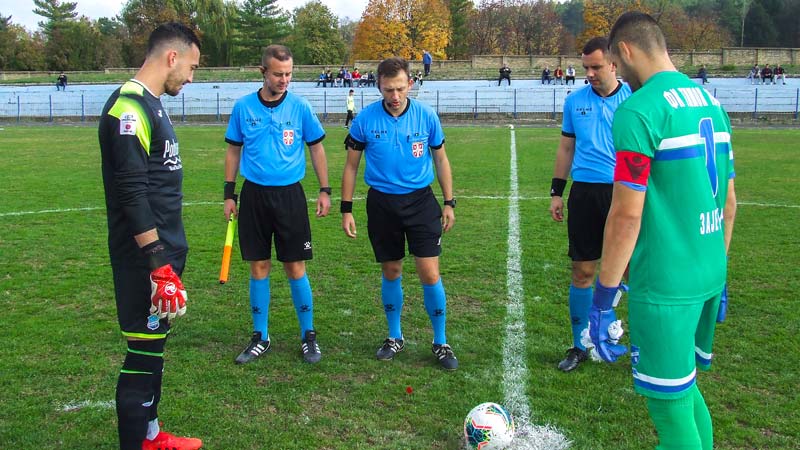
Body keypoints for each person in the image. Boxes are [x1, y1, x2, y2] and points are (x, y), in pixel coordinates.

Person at [596, 11, 737, 450]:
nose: (618, 74)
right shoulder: (710, 102)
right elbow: (730, 204)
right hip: (709, 270)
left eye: (615, 64)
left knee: (669, 409)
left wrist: (603, 297)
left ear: (625, 50)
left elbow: (626, 215)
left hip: (665, 284)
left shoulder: (639, 110)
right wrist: (719, 270)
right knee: (684, 389)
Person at [98, 22, 203, 450]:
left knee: (154, 347)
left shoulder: (152, 104)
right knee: (142, 354)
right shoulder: (129, 108)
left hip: (163, 253)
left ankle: (152, 436)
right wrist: (158, 263)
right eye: (191, 68)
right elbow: (131, 192)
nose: (191, 78)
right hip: (144, 258)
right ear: (171, 57)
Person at [341, 57, 458, 371]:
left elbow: (441, 159)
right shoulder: (365, 120)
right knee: (391, 270)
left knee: (429, 273)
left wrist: (449, 202)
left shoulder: (426, 116)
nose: (394, 95)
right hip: (382, 205)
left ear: (410, 84)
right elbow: (351, 166)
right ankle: (394, 336)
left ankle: (441, 341)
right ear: (379, 86)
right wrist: (346, 209)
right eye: (388, 89)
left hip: (421, 203)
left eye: (400, 88)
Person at [223, 44, 331, 366]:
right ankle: (261, 336)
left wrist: (325, 190)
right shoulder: (243, 107)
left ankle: (308, 335)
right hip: (254, 196)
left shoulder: (300, 107)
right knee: (258, 266)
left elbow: (316, 148)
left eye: (288, 74)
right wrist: (229, 194)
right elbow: (233, 151)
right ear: (263, 72)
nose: (284, 80)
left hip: (289, 197)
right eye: (278, 74)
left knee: (295, 266)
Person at [548, 36, 632, 372]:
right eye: (586, 67)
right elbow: (566, 148)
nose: (590, 74)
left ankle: (641, 344)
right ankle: (580, 344)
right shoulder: (574, 101)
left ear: (614, 64)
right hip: (584, 193)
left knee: (632, 270)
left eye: (596, 67)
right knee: (583, 270)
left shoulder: (634, 98)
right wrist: (557, 192)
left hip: (626, 192)